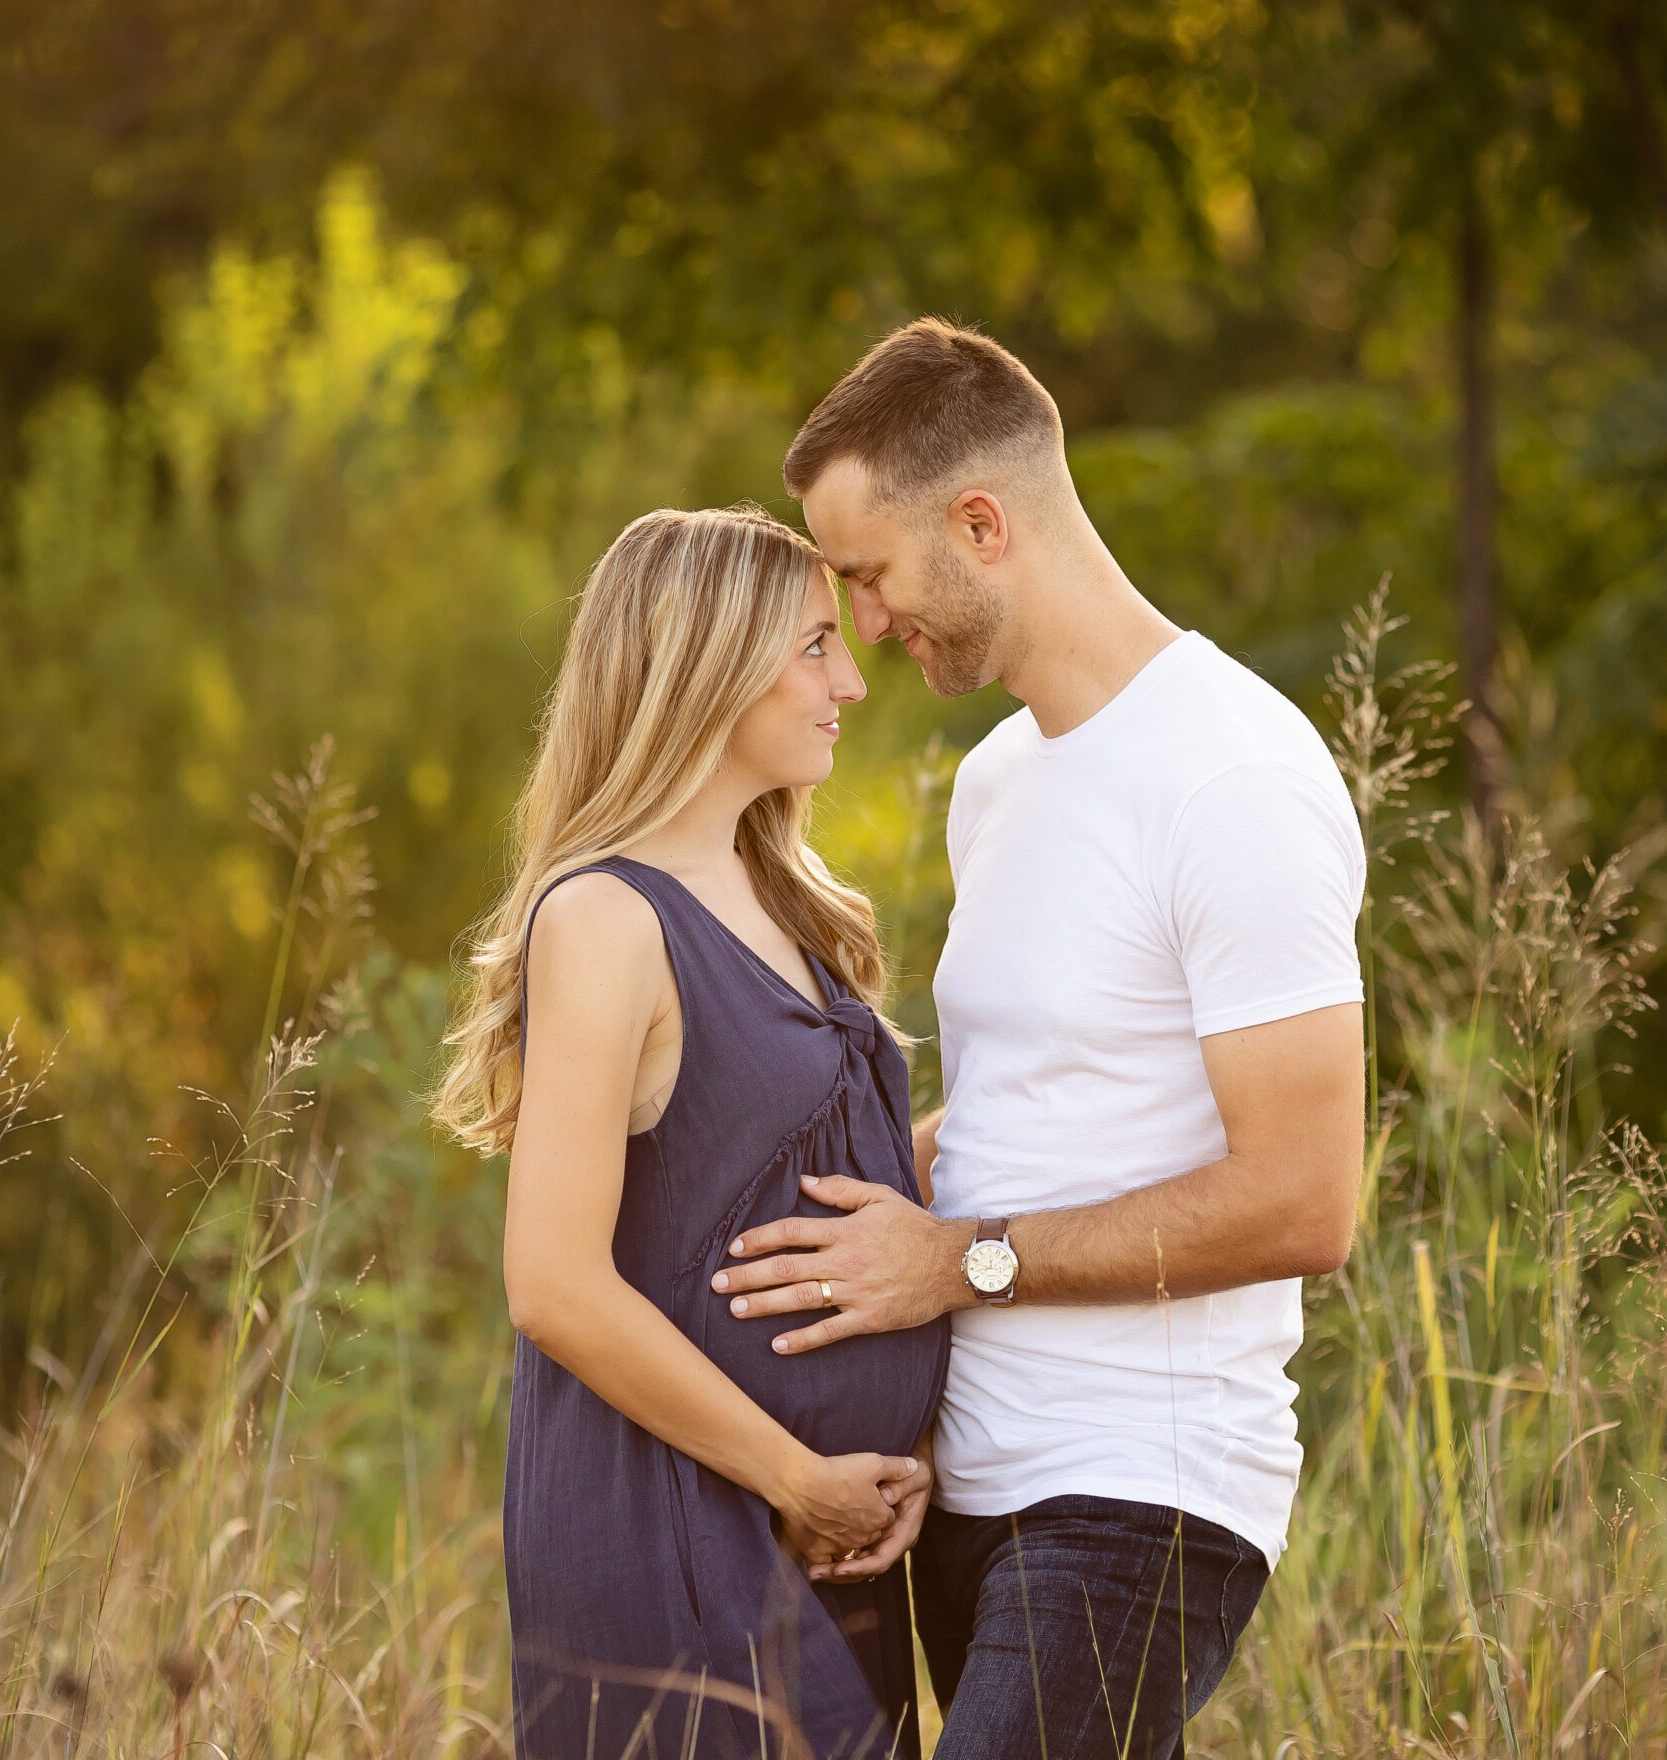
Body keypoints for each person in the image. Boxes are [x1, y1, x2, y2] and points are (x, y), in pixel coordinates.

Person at [708, 318, 1370, 1759]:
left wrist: (954, 1261)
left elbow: (1308, 1200)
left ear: (983, 523)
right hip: (968, 1481)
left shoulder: (1236, 778)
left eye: (870, 577)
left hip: (1145, 1494)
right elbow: (1040, 1102)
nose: (866, 628)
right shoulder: (998, 781)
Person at [433, 504, 952, 1760]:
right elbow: (552, 1283)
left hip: (830, 1533)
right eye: (815, 646)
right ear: (708, 663)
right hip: (676, 1517)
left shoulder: (784, 896)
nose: (851, 679)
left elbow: (823, 1174)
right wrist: (794, 1473)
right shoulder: (607, 917)